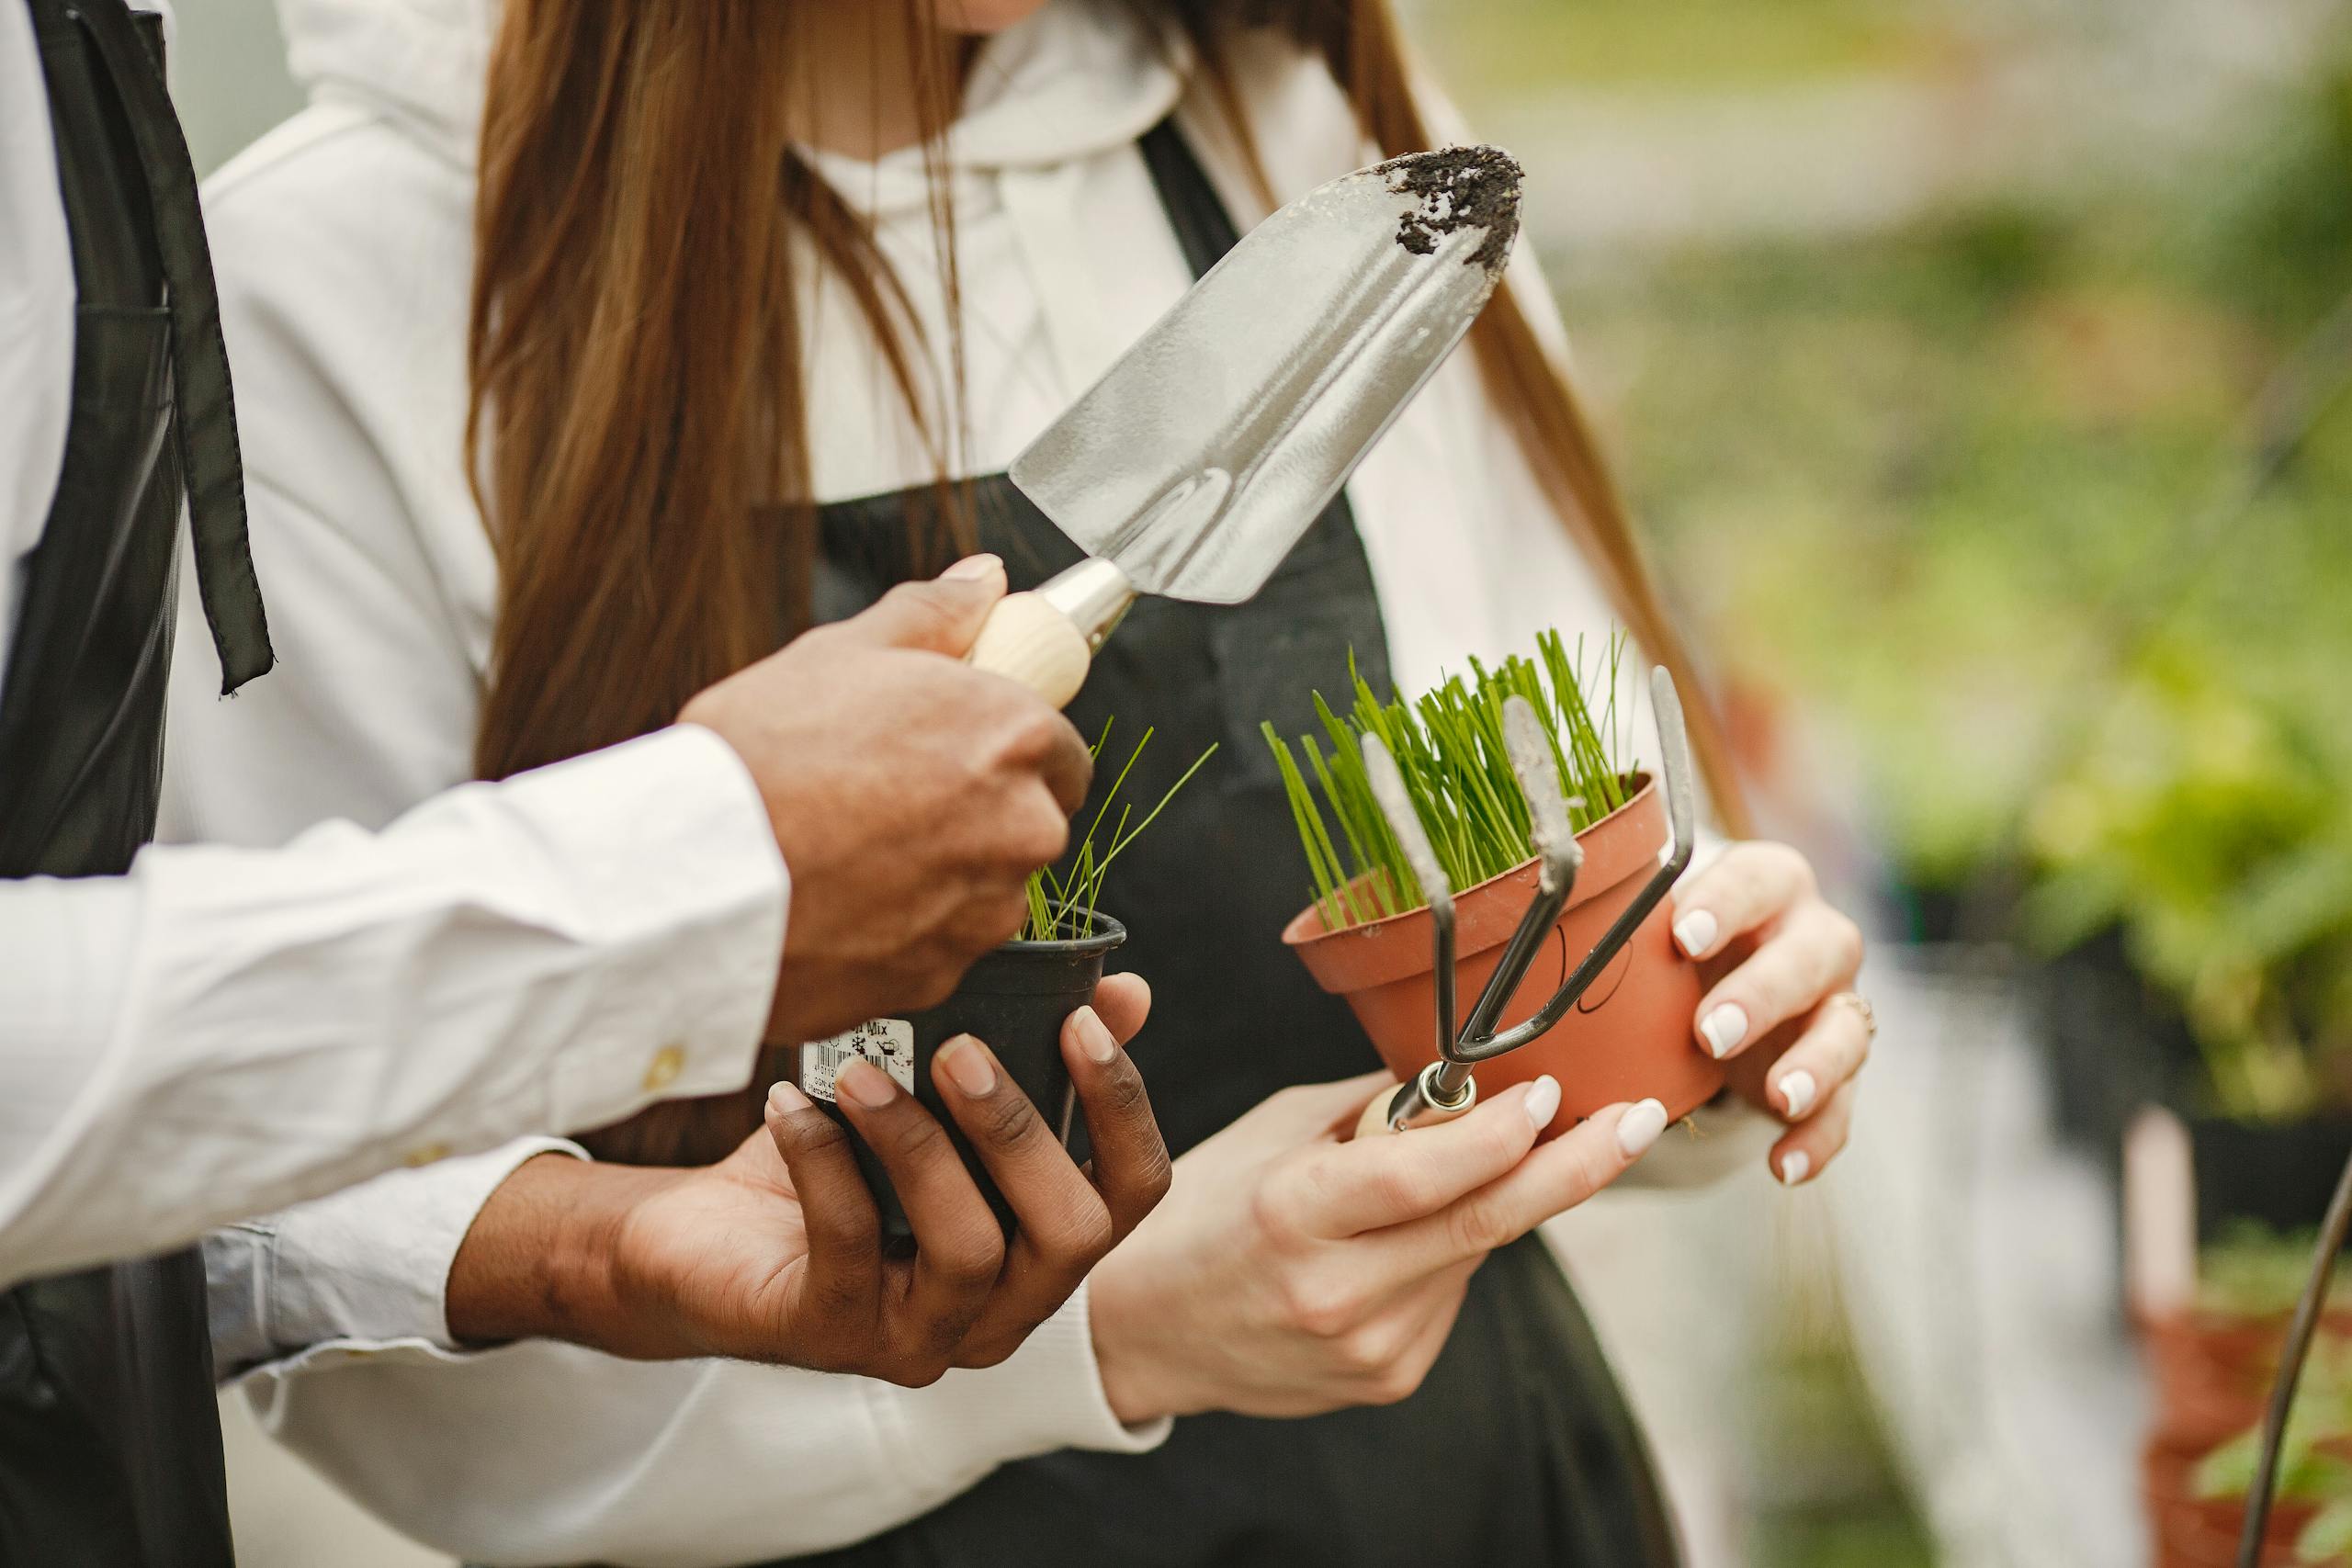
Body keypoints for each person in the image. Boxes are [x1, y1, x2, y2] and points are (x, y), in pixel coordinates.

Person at [176, 1, 1878, 1565]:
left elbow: (1547, 828)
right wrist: (1097, 1338)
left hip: (1480, 1497)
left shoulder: (1296, 140)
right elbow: (313, 1247)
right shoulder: (336, 278)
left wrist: (1694, 1025)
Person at [0, 3, 1171, 1562]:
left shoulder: (1253, 114)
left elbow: (165, 1165)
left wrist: (581, 1244)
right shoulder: (329, 260)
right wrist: (707, 878)